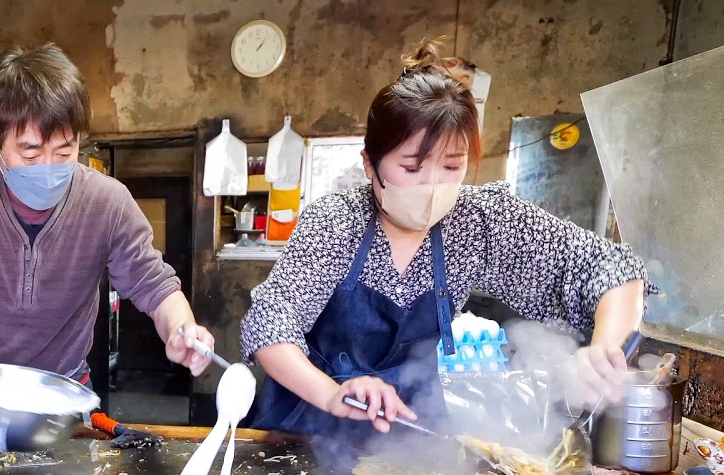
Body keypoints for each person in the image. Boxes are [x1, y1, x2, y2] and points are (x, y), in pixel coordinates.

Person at [241, 38, 648, 449]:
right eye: (412, 168)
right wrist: (332, 394)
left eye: (452, 166)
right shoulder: (335, 222)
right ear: (369, 164)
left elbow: (610, 267)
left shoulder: (478, 221)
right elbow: (270, 325)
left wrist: (604, 354)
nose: (432, 186)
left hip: (411, 431)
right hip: (305, 426)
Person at [0, 43, 214, 405]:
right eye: (30, 153)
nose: (48, 169)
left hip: (64, 395)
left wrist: (181, 329)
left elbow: (156, 286)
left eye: (64, 152)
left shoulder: (107, 201)